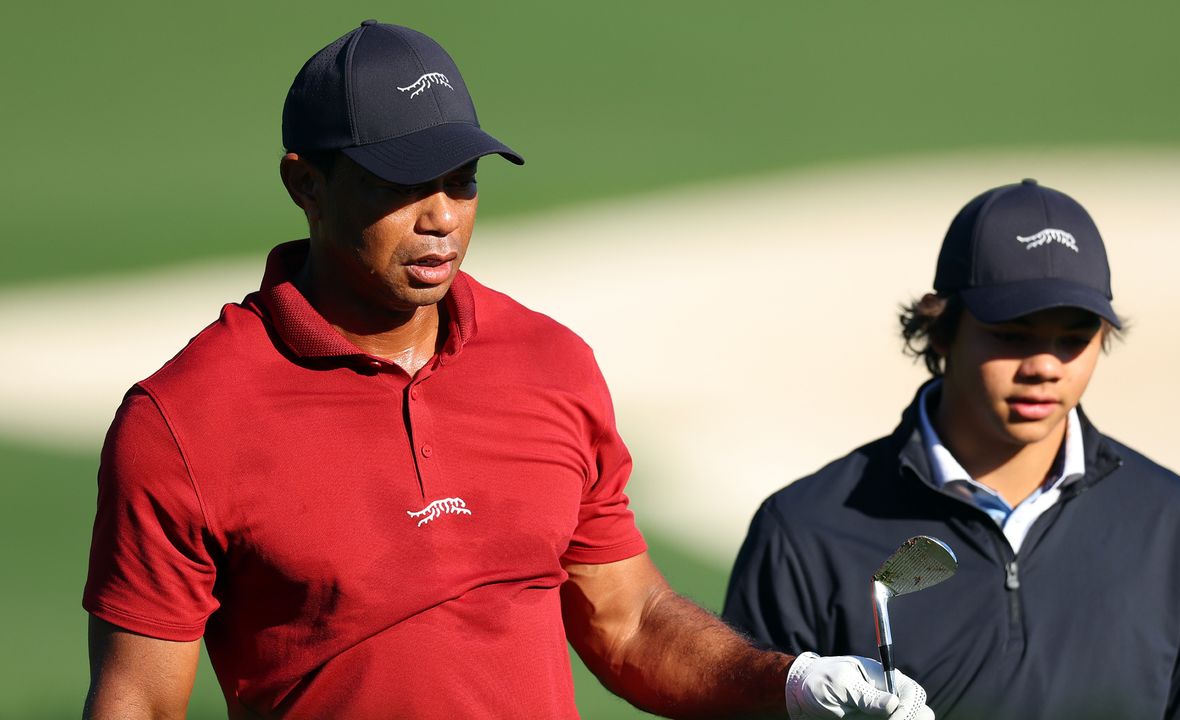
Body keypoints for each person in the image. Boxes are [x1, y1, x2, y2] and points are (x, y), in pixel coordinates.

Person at [82, 20, 936, 719]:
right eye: (401, 183)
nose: (443, 217)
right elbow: (138, 705)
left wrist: (787, 686)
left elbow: (627, 622)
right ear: (305, 184)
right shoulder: (187, 418)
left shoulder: (548, 365)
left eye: (461, 180)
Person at [723, 179, 1180, 719]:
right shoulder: (804, 531)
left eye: (1074, 338)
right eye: (1012, 334)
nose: (1044, 365)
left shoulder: (1172, 521)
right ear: (940, 329)